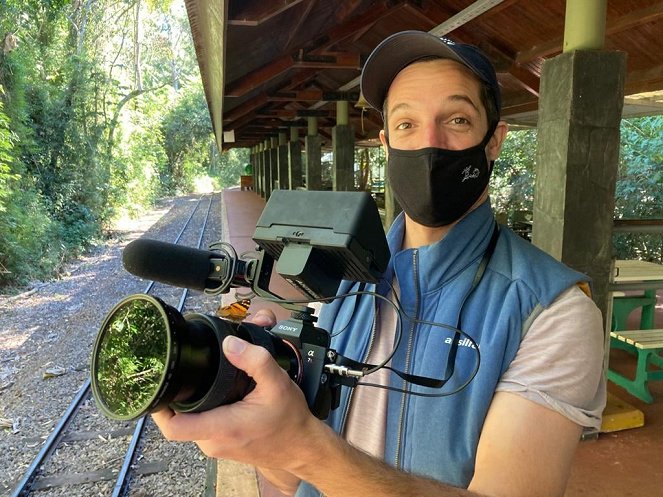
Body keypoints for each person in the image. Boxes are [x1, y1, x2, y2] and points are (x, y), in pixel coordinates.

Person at [152, 30, 606, 497]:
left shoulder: (553, 312)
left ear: (494, 141)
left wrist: (302, 446)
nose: (430, 143)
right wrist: (254, 411)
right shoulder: (344, 279)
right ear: (387, 143)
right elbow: (293, 480)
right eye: (407, 124)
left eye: (457, 119)